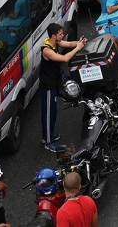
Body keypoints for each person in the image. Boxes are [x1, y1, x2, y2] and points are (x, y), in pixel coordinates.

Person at [39, 23, 87, 151]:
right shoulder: (47, 50)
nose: (63, 35)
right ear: (54, 36)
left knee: (53, 112)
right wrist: (78, 48)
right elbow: (64, 58)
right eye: (60, 34)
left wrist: (79, 42)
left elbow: (69, 44)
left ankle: (49, 135)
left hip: (54, 83)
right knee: (48, 114)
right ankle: (47, 142)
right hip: (48, 86)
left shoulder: (55, 42)